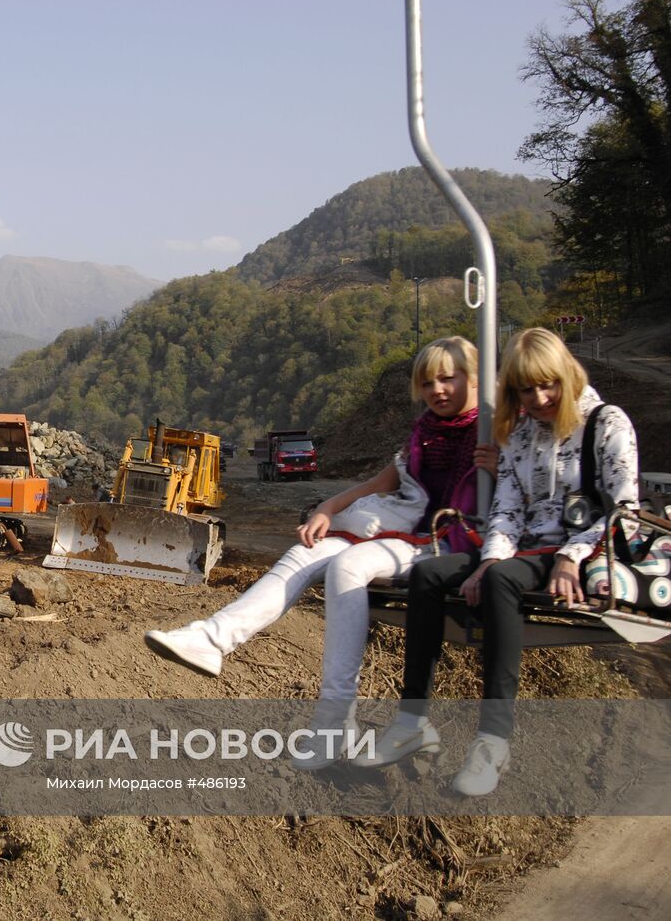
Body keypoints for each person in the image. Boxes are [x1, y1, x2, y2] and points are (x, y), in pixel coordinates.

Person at [144, 337, 494, 769]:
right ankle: (212, 638)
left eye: (448, 378)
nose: (437, 390)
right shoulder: (424, 434)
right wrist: (327, 509)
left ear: (474, 379)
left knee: (348, 565)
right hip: (397, 531)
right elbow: (374, 485)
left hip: (442, 542)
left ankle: (334, 723)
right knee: (301, 554)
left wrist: (494, 470)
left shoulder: (492, 432)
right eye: (427, 382)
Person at [358, 328, 638, 796]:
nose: (540, 398)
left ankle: (493, 740)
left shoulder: (605, 423)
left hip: (580, 545)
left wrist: (570, 557)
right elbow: (507, 509)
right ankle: (412, 720)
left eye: (548, 384)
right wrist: (488, 560)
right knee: (429, 573)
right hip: (523, 546)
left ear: (567, 375)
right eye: (526, 389)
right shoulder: (520, 433)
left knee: (503, 581)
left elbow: (624, 510)